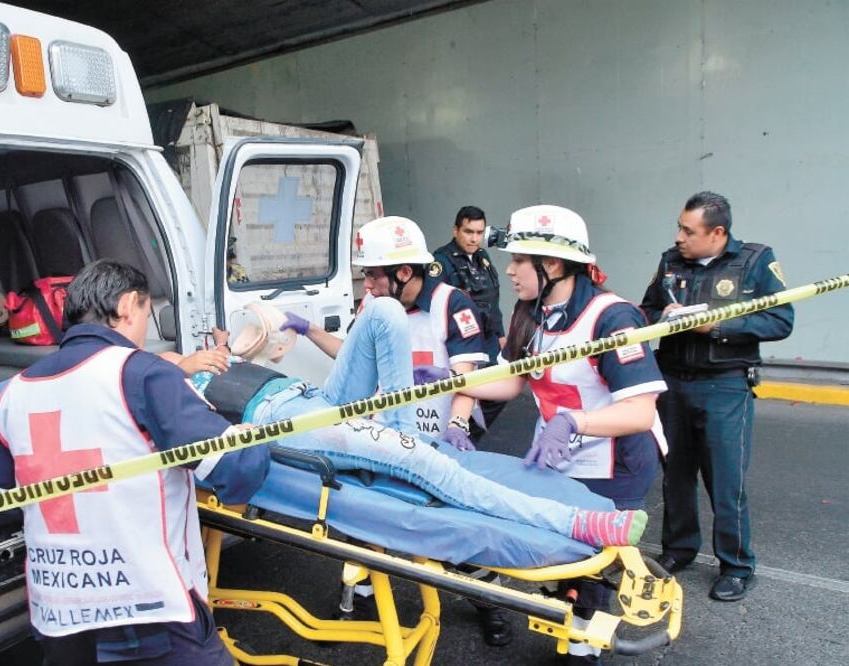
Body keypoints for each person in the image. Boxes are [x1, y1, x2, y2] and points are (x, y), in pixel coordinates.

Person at [0, 259, 269, 666]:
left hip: (61, 619)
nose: (144, 329)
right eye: (145, 313)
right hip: (149, 611)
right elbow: (237, 469)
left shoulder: (14, 392)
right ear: (128, 305)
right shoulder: (141, 375)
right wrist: (249, 436)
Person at [195, 302, 647, 550]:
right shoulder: (157, 377)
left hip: (309, 396)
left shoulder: (201, 359)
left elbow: (243, 353)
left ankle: (402, 433)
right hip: (281, 421)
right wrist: (188, 365)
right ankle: (575, 522)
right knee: (435, 468)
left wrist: (228, 350)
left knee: (385, 311)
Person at [460, 205, 668, 665]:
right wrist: (451, 381)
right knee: (559, 549)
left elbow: (639, 410)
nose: (509, 270)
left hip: (616, 460)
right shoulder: (529, 312)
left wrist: (574, 421)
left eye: (519, 261)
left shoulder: (613, 319)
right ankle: (571, 625)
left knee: (591, 562)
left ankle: (582, 649)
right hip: (558, 452)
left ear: (551, 265)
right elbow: (513, 381)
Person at [640, 191, 794, 603]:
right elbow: (645, 311)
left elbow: (780, 320)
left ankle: (737, 566)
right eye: (679, 227)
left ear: (718, 232)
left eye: (688, 231)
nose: (679, 237)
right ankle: (678, 550)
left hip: (725, 384)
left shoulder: (756, 261)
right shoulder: (670, 261)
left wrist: (718, 326)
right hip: (672, 380)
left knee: (725, 481)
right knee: (675, 474)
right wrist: (663, 318)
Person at [280, 216, 497, 450]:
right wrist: (309, 329)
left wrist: (457, 425)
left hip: (440, 437)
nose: (367, 285)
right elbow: (353, 358)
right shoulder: (373, 305)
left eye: (373, 274)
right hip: (385, 434)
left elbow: (465, 379)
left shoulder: (452, 304)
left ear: (403, 272)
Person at [432, 205, 508, 435]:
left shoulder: (482, 258)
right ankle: (457, 435)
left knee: (497, 390)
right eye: (468, 232)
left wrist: (501, 334)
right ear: (455, 230)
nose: (474, 238)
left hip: (489, 339)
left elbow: (492, 300)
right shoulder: (441, 262)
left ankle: (469, 434)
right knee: (464, 389)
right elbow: (435, 304)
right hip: (463, 342)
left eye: (479, 232)